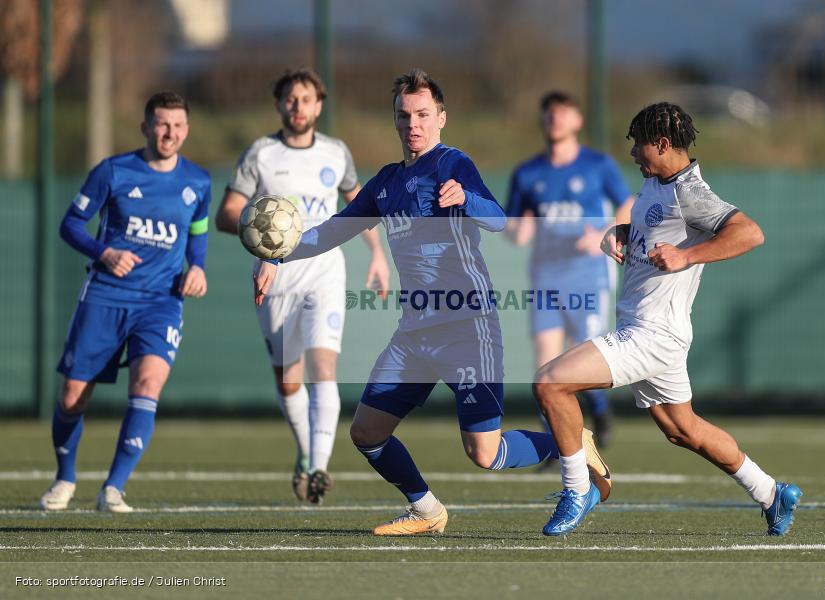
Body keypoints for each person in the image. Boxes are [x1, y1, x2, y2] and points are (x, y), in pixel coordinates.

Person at [254, 68, 610, 535]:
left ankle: (573, 444)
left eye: (423, 114)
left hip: (468, 327)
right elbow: (334, 230)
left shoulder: (452, 164)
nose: (414, 123)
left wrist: (467, 199)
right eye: (405, 115)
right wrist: (279, 252)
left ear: (440, 118)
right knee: (366, 433)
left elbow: (499, 222)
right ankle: (426, 509)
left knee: (485, 454)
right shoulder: (385, 183)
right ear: (395, 121)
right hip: (415, 334)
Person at [533, 102, 802, 536]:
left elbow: (750, 232)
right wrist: (623, 235)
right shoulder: (657, 183)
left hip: (652, 335)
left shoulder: (690, 193)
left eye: (638, 145)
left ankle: (578, 488)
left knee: (550, 383)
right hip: (651, 330)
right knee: (683, 429)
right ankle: (772, 492)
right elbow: (657, 232)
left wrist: (687, 256)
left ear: (661, 144)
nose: (633, 153)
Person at [215, 68, 390, 505]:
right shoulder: (261, 153)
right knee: (289, 381)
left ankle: (318, 467)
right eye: (290, 99)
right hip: (275, 276)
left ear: (319, 105)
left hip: (325, 270)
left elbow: (359, 204)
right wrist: (260, 242)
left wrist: (378, 255)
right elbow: (227, 212)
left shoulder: (335, 153)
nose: (299, 107)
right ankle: (305, 452)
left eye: (307, 99)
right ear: (279, 105)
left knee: (324, 368)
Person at [39, 91, 211, 513]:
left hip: (161, 302)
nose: (169, 133)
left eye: (177, 125)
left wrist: (198, 267)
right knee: (71, 397)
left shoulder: (199, 182)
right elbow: (70, 224)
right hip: (105, 295)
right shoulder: (113, 171)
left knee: (148, 385)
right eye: (161, 123)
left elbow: (198, 234)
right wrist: (105, 253)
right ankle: (65, 477)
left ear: (186, 130)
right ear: (145, 127)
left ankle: (113, 488)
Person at [506, 91, 633, 449]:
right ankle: (553, 443)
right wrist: (520, 228)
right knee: (546, 364)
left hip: (587, 275)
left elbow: (628, 202)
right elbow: (516, 229)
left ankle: (600, 411)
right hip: (546, 277)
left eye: (562, 114)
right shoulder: (528, 173)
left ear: (577, 121)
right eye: (549, 114)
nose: (554, 120)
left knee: (583, 356)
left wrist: (603, 232)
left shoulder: (597, 165)